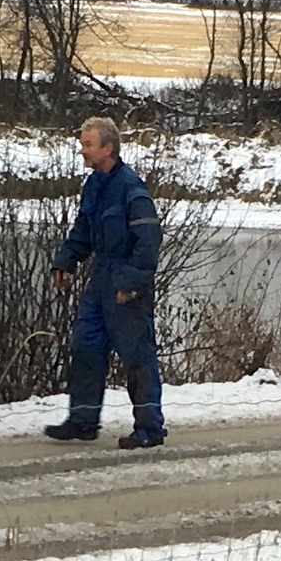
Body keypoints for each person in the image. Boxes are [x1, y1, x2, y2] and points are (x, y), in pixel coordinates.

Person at [45, 116, 168, 449]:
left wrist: (130, 284)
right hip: (100, 280)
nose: (82, 151)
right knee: (86, 347)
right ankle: (83, 422)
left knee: (137, 357)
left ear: (108, 148)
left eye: (88, 145)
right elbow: (83, 231)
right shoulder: (94, 185)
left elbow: (149, 241)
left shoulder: (132, 189)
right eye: (82, 144)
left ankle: (150, 430)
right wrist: (66, 260)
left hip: (127, 284)